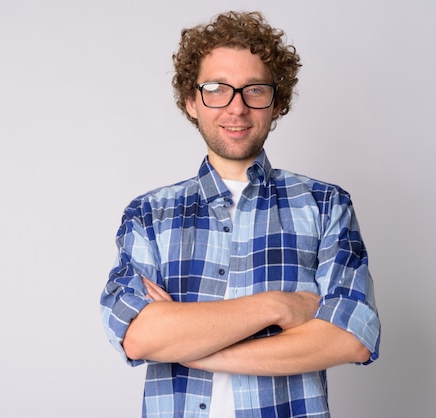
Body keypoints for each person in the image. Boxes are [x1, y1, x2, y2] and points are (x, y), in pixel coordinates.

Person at [99, 10, 381, 418]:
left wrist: (193, 348)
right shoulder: (148, 215)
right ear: (191, 101)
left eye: (254, 90)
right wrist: (278, 306)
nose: (236, 108)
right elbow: (137, 335)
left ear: (276, 102)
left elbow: (352, 336)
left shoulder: (326, 205)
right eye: (216, 89)